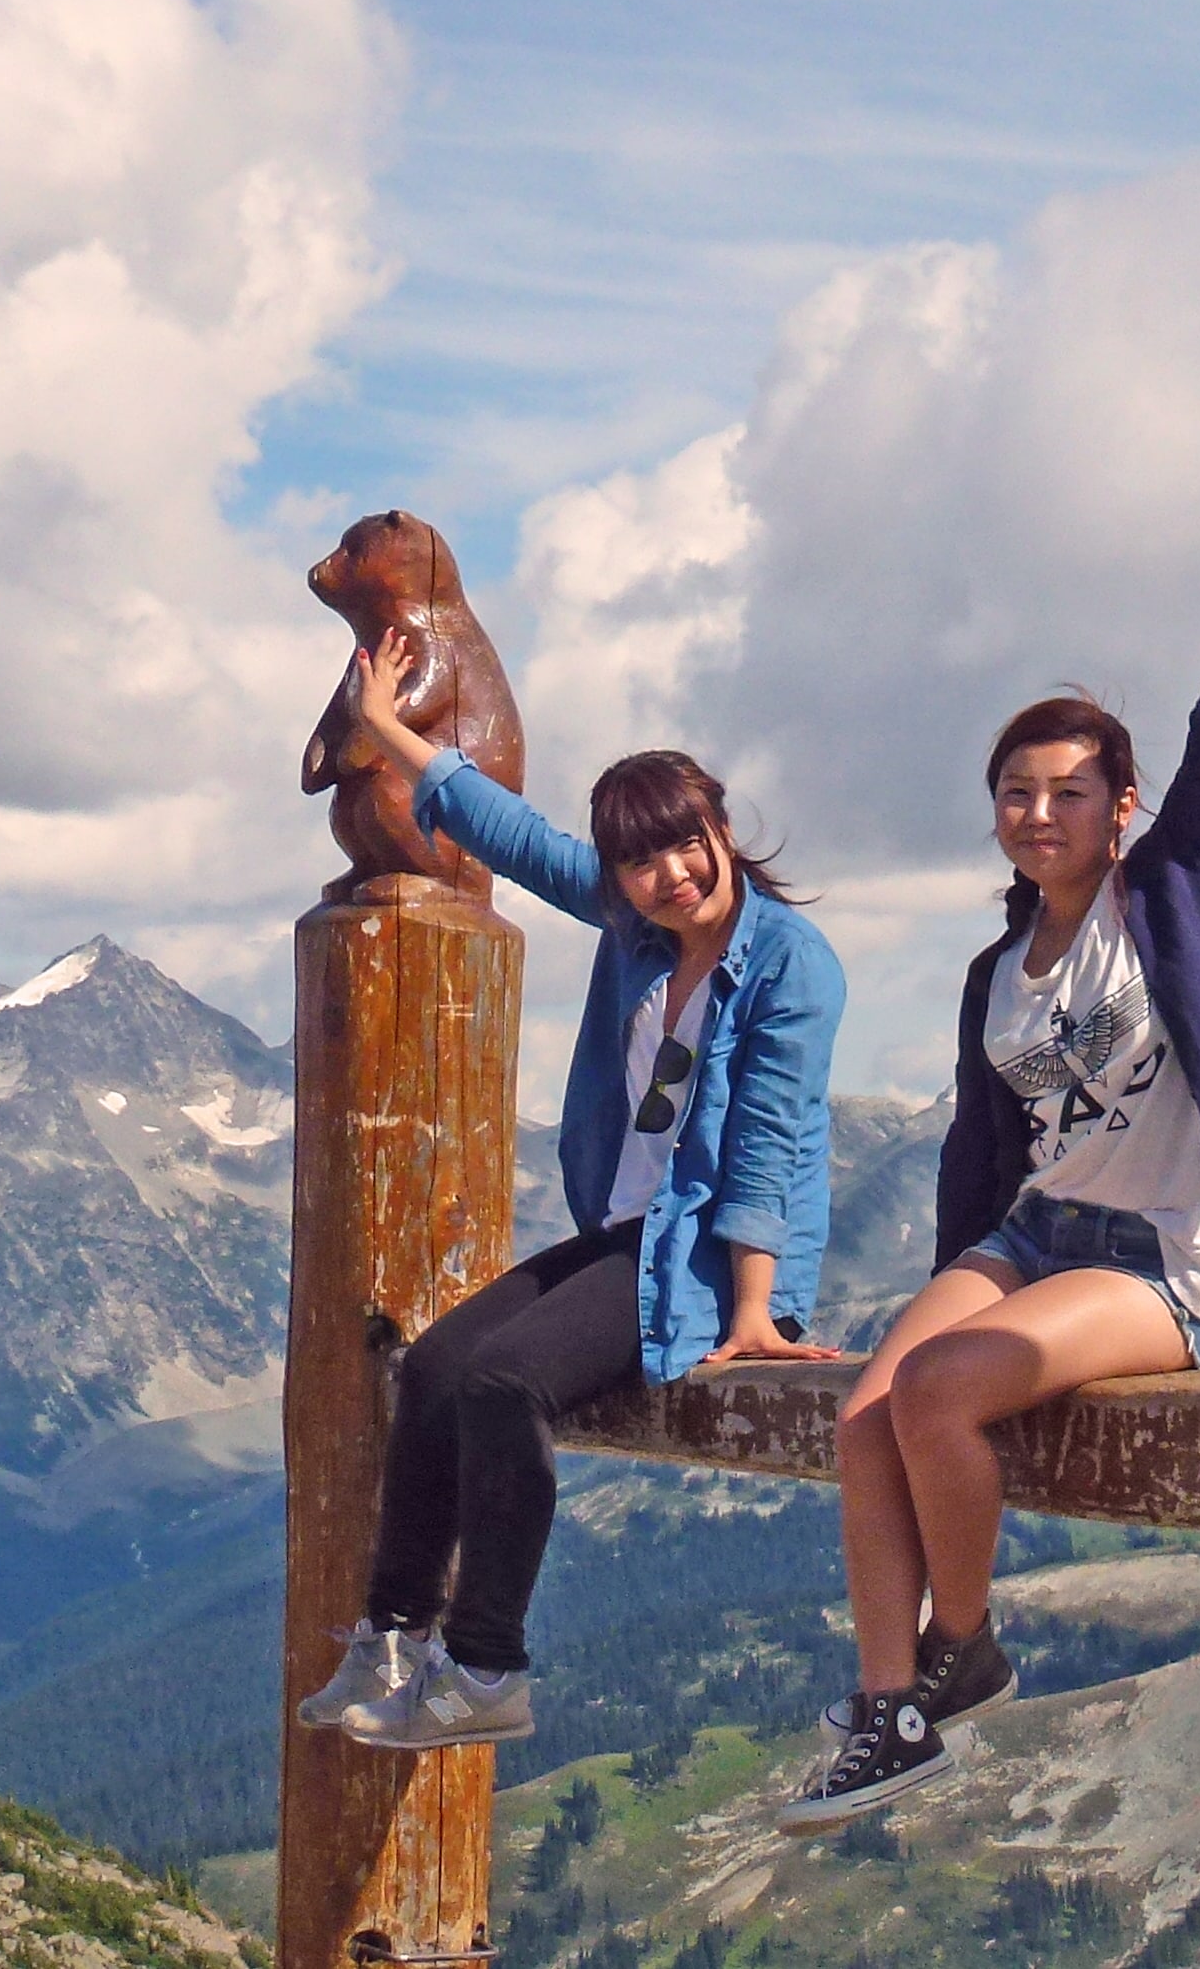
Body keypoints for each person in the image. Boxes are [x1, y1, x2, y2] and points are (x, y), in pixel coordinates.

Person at [778, 447, 1200, 1831]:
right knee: (864, 1414)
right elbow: (978, 1158)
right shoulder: (992, 975)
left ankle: (966, 1654)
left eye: (1068, 790)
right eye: (1017, 792)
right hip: (1032, 1236)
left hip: (1151, 1258)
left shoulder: (1169, 889)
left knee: (940, 1393)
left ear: (1117, 807)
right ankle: (890, 1710)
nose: (1039, 812)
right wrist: (958, 1269)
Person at [296, 626, 845, 1750]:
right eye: (642, 861)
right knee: (441, 1365)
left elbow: (768, 1144)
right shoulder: (639, 933)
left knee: (506, 1383)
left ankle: (487, 1667)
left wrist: (755, 1312)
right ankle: (393, 1635)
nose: (670, 874)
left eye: (686, 845)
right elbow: (522, 839)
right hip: (631, 1236)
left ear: (722, 830)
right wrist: (388, 728)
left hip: (708, 1260)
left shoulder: (789, 960)